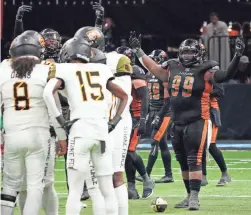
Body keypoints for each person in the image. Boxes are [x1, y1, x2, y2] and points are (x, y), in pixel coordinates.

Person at [129, 31, 245, 210]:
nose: (187, 56)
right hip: (177, 122)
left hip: (197, 120)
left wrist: (237, 56)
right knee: (182, 161)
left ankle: (194, 198)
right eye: (184, 52)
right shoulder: (173, 66)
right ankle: (189, 195)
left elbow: (225, 76)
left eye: (191, 53)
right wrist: (138, 51)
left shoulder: (206, 69)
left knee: (194, 159)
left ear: (198, 54)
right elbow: (154, 69)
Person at [43, 37, 128, 215]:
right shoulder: (102, 69)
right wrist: (115, 120)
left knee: (74, 191)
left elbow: (47, 94)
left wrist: (61, 121)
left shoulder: (63, 68)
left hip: (80, 130)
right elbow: (125, 96)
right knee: (107, 190)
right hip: (102, 131)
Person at [0, 31, 59, 215]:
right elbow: (54, 103)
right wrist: (62, 134)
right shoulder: (45, 70)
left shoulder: (3, 70)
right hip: (38, 134)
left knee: (9, 185)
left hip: (11, 135)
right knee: (36, 185)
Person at [116, 46, 155, 199]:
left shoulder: (135, 71)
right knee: (124, 154)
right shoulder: (116, 71)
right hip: (124, 115)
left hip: (136, 116)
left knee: (129, 151)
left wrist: (143, 120)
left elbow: (145, 98)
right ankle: (131, 187)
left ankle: (146, 179)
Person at [136, 49, 173, 183]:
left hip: (164, 113)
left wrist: (159, 116)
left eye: (155, 59)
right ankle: (169, 175)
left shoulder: (164, 74)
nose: (152, 62)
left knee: (155, 141)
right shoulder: (148, 74)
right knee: (162, 144)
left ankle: (146, 174)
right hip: (154, 110)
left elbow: (169, 99)